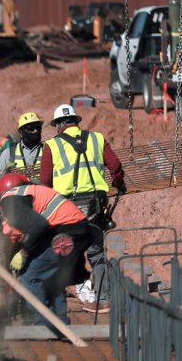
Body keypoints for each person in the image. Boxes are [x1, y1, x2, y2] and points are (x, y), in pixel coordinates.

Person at [0, 174, 91, 327]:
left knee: (31, 275)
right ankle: (58, 322)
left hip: (69, 230)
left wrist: (24, 253)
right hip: (69, 228)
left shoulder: (9, 207)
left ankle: (44, 326)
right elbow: (3, 250)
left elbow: (40, 225)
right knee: (48, 274)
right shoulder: (7, 204)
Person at [40, 104, 126, 310]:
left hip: (65, 209)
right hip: (94, 205)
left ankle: (57, 298)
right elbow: (115, 165)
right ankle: (104, 298)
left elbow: (45, 181)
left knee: (63, 250)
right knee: (96, 253)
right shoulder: (97, 139)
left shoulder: (52, 146)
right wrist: (119, 183)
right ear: (76, 122)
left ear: (59, 125)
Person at [0, 111, 45, 181]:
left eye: (38, 128)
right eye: (31, 128)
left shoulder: (48, 149)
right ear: (21, 131)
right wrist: (6, 172)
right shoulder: (9, 153)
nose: (36, 131)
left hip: (42, 190)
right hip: (18, 191)